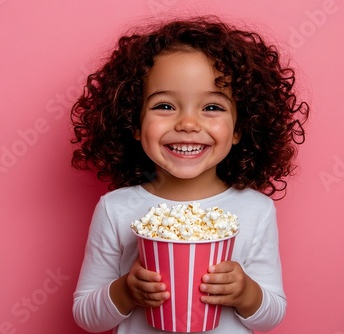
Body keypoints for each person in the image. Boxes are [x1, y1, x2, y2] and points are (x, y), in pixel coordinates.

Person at [71, 15, 308, 333]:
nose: (188, 124)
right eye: (165, 106)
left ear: (239, 128)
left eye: (212, 107)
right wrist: (126, 292)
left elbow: (272, 315)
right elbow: (86, 316)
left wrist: (245, 293)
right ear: (134, 123)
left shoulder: (256, 210)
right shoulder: (116, 209)